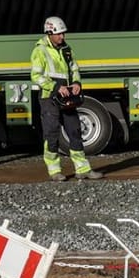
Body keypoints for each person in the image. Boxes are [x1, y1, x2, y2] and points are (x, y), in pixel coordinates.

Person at [29, 16, 102, 181]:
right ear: (49, 33)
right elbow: (36, 76)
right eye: (59, 34)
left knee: (75, 130)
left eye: (63, 33)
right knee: (51, 132)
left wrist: (76, 83)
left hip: (68, 96)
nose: (62, 37)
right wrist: (55, 87)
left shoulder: (67, 49)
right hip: (49, 97)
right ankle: (54, 171)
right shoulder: (39, 51)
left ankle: (82, 169)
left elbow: (74, 68)